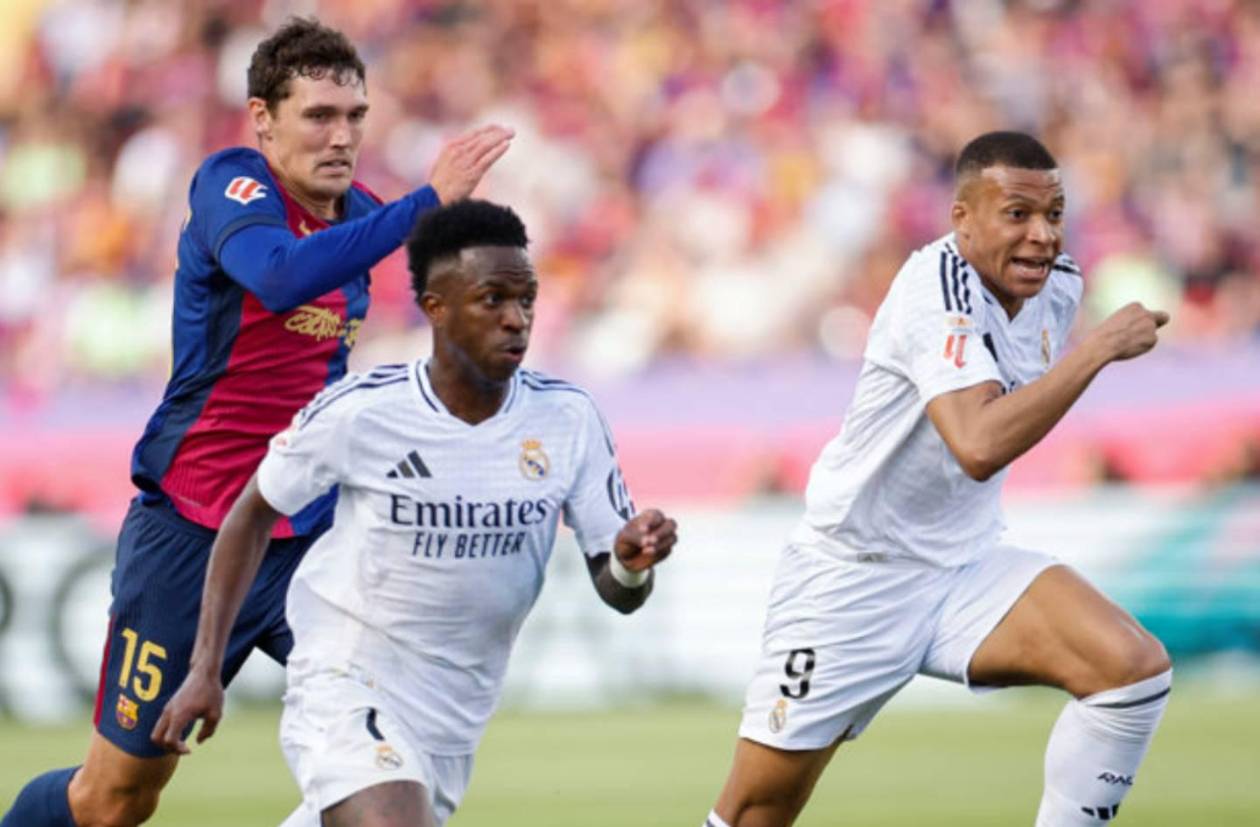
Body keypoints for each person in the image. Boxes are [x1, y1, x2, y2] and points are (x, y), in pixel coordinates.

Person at [1, 18, 512, 827]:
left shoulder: (363, 221)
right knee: (112, 801)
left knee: (393, 749)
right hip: (192, 534)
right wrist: (425, 203)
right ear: (264, 120)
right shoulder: (231, 185)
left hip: (305, 539)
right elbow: (277, 277)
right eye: (319, 116)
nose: (341, 136)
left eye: (355, 116)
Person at [150, 198, 678, 826]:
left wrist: (631, 563)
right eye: (492, 300)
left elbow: (618, 590)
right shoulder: (363, 411)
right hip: (347, 679)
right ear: (436, 307)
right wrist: (205, 669)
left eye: (527, 300)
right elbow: (252, 514)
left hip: (453, 719)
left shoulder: (568, 418)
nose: (517, 320)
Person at [704, 131, 1172, 827]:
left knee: (1131, 671)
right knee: (756, 813)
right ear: (962, 218)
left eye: (1054, 215)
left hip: (962, 565)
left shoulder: (1060, 287)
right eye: (1017, 214)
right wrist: (1097, 349)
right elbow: (977, 444)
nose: (1042, 235)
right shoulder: (934, 286)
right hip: (854, 576)